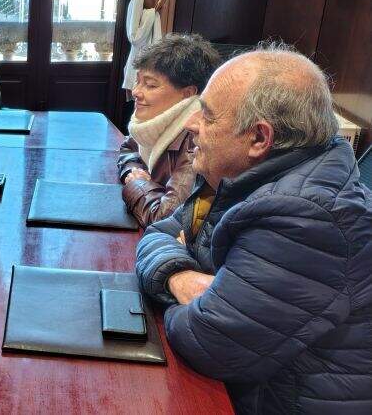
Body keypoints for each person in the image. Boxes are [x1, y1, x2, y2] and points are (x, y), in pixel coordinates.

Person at [135, 46, 372, 414]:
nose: (190, 123)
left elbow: (208, 342)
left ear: (259, 139)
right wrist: (180, 277)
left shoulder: (308, 218)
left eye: (208, 115)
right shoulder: (243, 174)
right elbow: (158, 233)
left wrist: (184, 279)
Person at [118, 34, 221, 227]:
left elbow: (165, 218)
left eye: (150, 85)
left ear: (188, 93)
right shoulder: (155, 121)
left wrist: (138, 184)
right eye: (138, 81)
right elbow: (129, 147)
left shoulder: (196, 140)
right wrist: (134, 171)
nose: (136, 92)